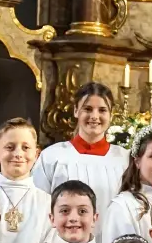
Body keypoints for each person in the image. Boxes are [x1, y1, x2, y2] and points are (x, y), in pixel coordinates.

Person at [32, 83, 130, 212]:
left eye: (102, 110)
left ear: (111, 114)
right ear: (76, 111)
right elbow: (39, 206)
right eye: (88, 109)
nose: (94, 116)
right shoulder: (52, 156)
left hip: (114, 232)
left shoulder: (124, 159)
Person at [0, 117, 53, 243]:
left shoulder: (47, 202)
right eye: (10, 147)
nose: (18, 154)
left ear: (36, 154)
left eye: (25, 148)